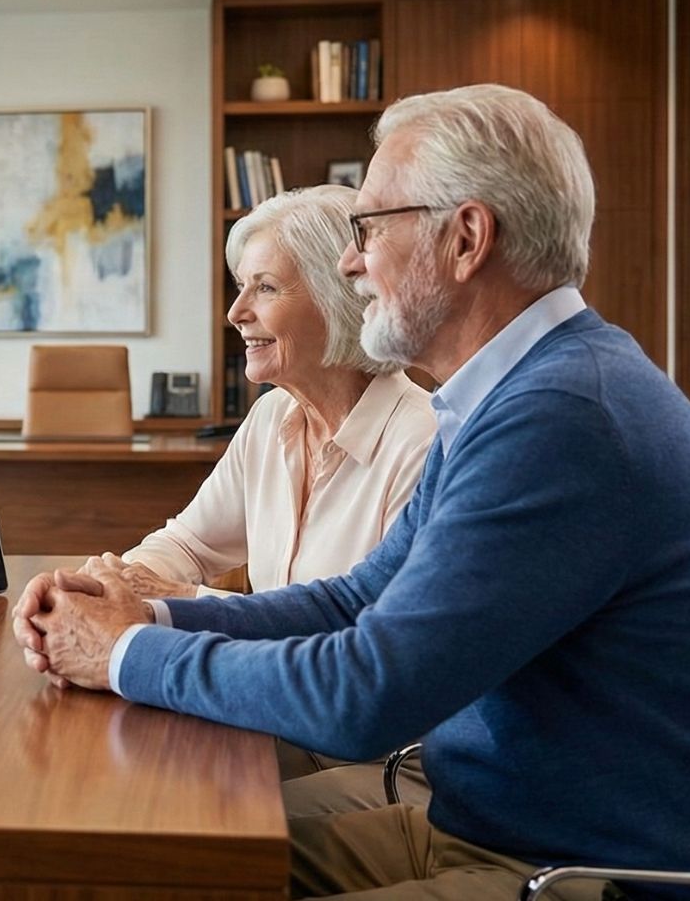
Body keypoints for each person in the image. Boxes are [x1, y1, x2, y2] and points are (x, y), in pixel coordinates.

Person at [13, 84, 690, 898]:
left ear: (465, 239)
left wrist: (123, 653)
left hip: (609, 875)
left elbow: (367, 694)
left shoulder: (563, 417)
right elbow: (355, 599)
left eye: (369, 228)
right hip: (497, 829)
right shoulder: (508, 396)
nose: (351, 262)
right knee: (158, 863)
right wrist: (150, 615)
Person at [79, 185, 436, 807]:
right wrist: (121, 585)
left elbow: (366, 654)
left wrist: (179, 604)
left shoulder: (424, 442)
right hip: (284, 721)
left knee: (180, 812)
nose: (236, 311)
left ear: (339, 298)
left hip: (379, 759)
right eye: (241, 287)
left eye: (264, 288)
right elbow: (189, 543)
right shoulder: (271, 418)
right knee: (120, 775)